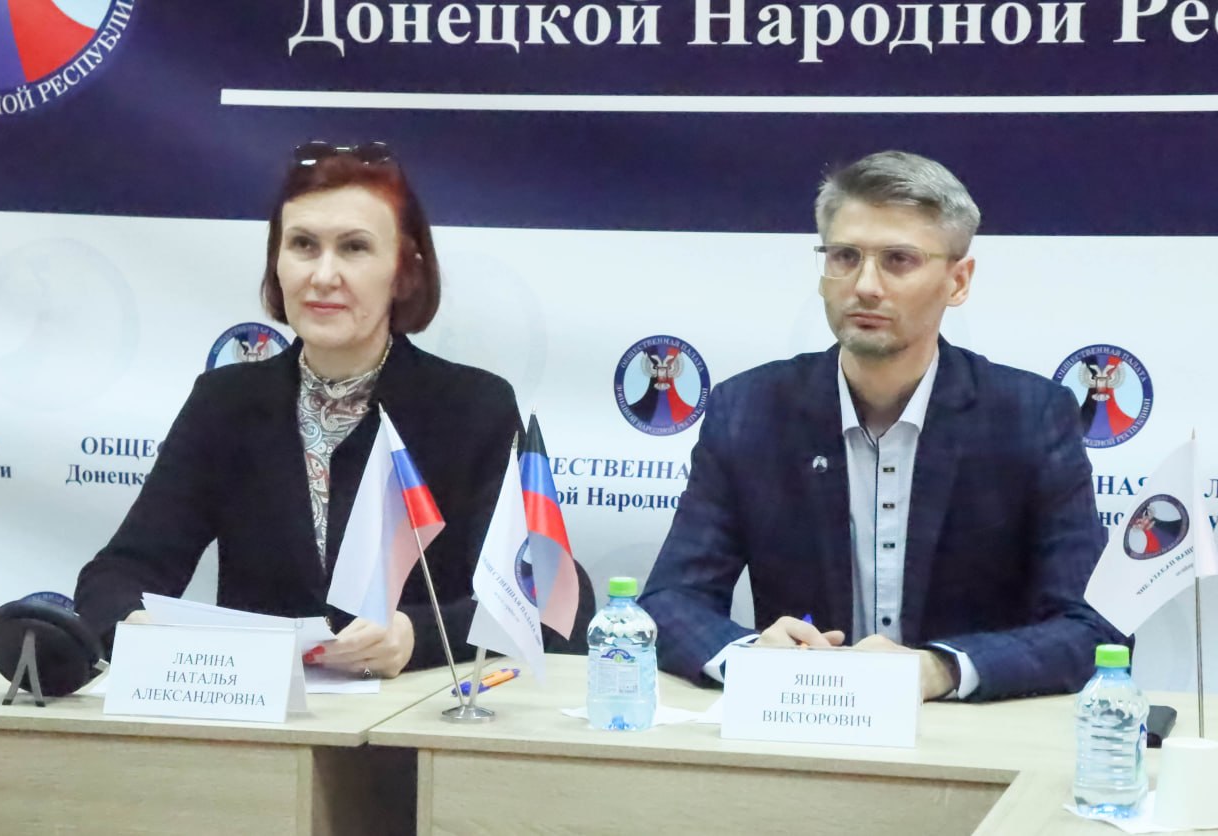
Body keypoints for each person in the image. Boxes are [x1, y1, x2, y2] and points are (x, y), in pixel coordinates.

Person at [75, 142, 593, 677]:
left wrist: (416, 637)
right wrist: (136, 626)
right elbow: (116, 575)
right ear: (277, 263)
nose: (323, 276)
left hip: (416, 713)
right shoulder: (225, 403)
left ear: (404, 271)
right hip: (265, 711)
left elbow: (550, 599)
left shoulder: (472, 407)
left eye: (354, 248)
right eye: (303, 245)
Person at [639, 150, 1118, 702]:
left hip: (966, 732)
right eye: (845, 257)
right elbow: (669, 602)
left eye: (898, 260)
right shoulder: (750, 410)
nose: (865, 285)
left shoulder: (1030, 416)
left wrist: (940, 669)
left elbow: (1093, 628)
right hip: (802, 721)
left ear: (958, 281)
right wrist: (750, 656)